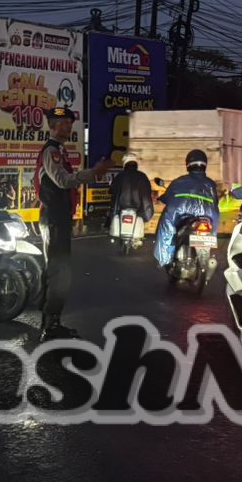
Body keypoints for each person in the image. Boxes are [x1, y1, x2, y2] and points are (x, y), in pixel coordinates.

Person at [35, 107, 111, 339]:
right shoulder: (52, 152)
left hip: (58, 217)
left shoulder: (59, 151)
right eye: (63, 123)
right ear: (52, 126)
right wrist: (93, 171)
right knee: (61, 272)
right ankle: (51, 325)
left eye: (69, 122)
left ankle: (48, 322)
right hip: (55, 218)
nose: (68, 126)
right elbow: (63, 180)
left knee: (55, 269)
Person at [153, 150, 221, 267]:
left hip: (181, 211)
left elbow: (168, 196)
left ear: (188, 164)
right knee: (213, 230)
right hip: (209, 214)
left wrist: (161, 198)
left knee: (167, 225)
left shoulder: (179, 181)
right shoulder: (211, 184)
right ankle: (208, 249)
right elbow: (216, 201)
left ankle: (165, 258)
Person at [109, 152, 155, 246]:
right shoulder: (142, 176)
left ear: (125, 163)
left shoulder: (120, 176)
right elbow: (147, 192)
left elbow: (112, 190)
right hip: (138, 208)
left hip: (121, 207)